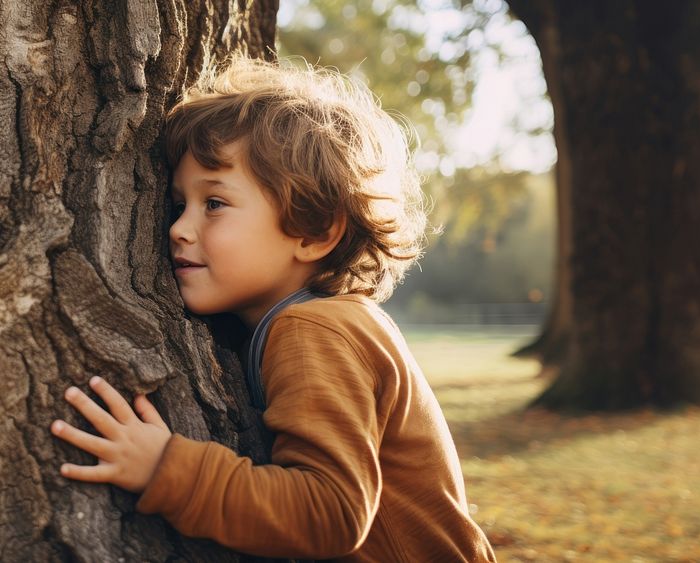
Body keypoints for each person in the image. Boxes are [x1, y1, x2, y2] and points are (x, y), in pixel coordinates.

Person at [49, 54, 496, 562]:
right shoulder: (319, 322)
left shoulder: (314, 331)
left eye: (214, 204)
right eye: (179, 206)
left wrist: (166, 470)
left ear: (313, 230)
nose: (177, 228)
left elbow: (331, 513)